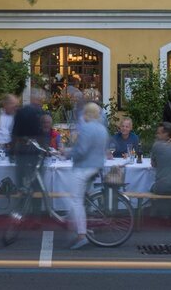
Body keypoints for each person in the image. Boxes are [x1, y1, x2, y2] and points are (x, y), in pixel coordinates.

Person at [66, 103, 108, 250]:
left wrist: (67, 153)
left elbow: (81, 150)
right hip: (96, 166)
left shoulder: (87, 128)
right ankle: (80, 226)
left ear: (87, 114)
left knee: (75, 200)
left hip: (84, 167)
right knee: (82, 199)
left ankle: (81, 235)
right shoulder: (102, 128)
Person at [12, 89, 46, 187]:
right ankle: (34, 200)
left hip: (22, 150)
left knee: (21, 179)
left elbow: (15, 133)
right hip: (35, 151)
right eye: (40, 99)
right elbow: (43, 134)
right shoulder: (41, 113)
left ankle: (22, 199)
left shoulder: (22, 112)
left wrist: (12, 150)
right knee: (36, 181)